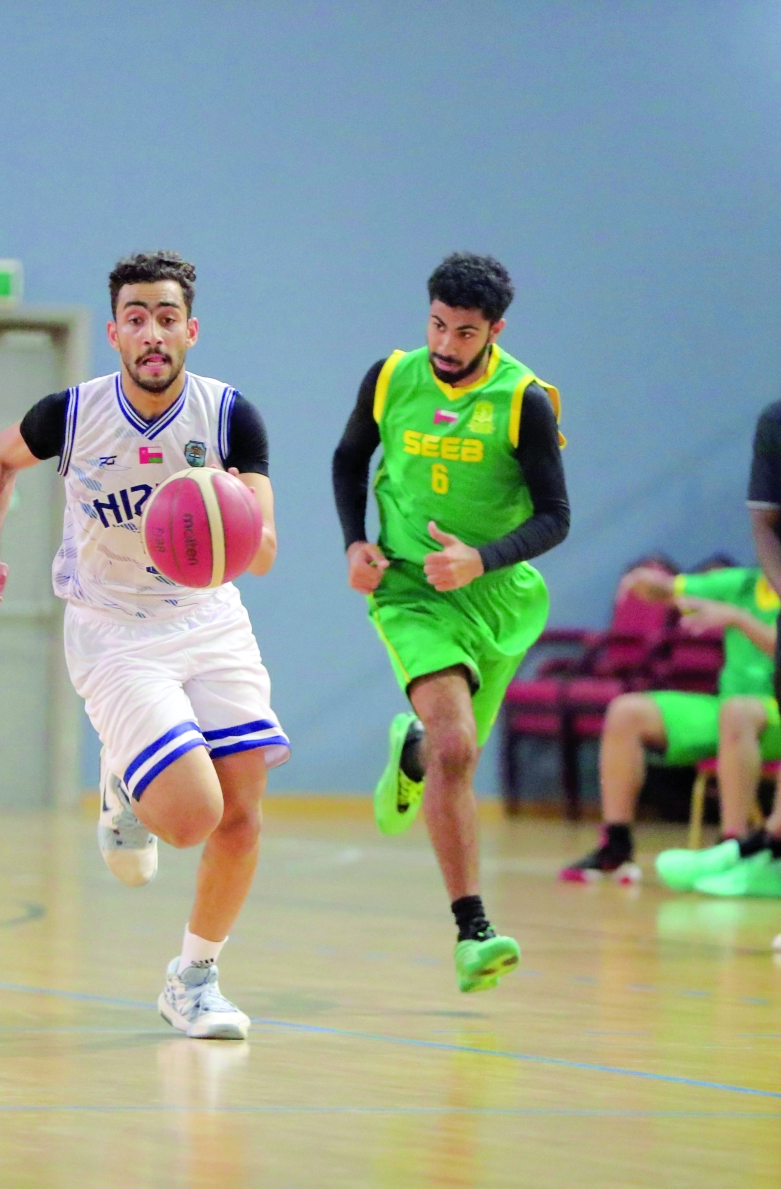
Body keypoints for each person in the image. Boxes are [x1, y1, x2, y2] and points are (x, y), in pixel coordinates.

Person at [0, 251, 289, 1040]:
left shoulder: (230, 416)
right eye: (136, 317)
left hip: (207, 617)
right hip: (114, 629)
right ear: (114, 332)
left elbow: (268, 546)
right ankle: (128, 778)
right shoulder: (72, 414)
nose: (152, 332)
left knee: (242, 815)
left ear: (191, 330)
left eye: (167, 317)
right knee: (190, 819)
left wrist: (232, 521)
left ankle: (194, 979)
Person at [332, 252, 570, 992]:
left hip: (495, 599)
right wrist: (355, 540)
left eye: (464, 333)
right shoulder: (390, 377)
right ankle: (474, 929)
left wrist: (483, 557)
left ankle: (411, 758)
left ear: (494, 330)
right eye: (436, 323)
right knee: (459, 746)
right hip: (410, 590)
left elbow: (557, 517)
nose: (445, 343)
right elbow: (348, 458)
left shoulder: (524, 399)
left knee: (444, 753)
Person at [560, 564, 781, 895]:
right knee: (627, 711)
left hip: (770, 710)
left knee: (737, 713)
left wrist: (738, 619)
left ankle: (732, 845)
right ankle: (616, 845)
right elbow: (672, 589)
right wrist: (647, 583)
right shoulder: (743, 583)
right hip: (729, 707)